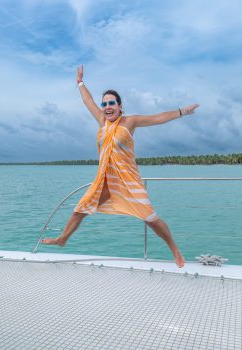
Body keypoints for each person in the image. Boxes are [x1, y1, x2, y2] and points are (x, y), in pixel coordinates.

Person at [42, 65, 200, 268]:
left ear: (120, 106)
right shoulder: (102, 121)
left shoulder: (130, 122)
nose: (107, 107)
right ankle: (63, 239)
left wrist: (182, 111)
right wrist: (80, 82)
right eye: (104, 103)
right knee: (80, 209)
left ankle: (175, 250)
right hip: (106, 180)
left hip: (128, 180)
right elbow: (87, 101)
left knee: (150, 219)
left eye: (111, 103)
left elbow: (157, 118)